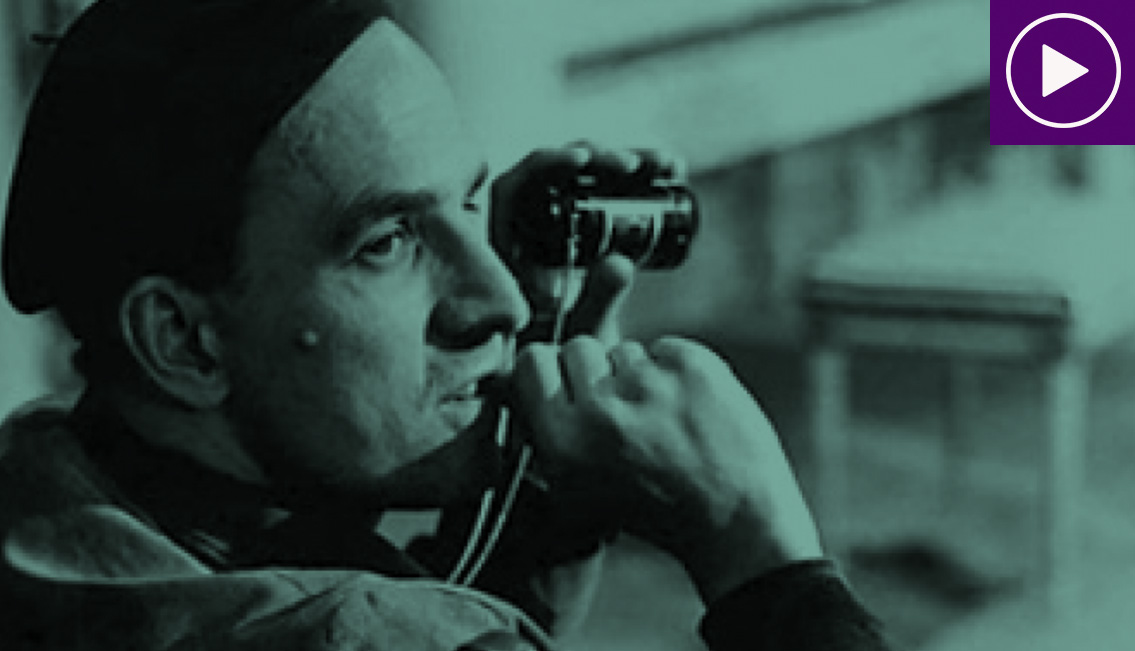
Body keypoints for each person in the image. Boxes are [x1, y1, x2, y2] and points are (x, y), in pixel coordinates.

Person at [0, 1, 893, 649]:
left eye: (469, 203)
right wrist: (763, 561)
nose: (503, 299)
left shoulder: (45, 478)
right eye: (386, 242)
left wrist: (539, 497)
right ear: (182, 339)